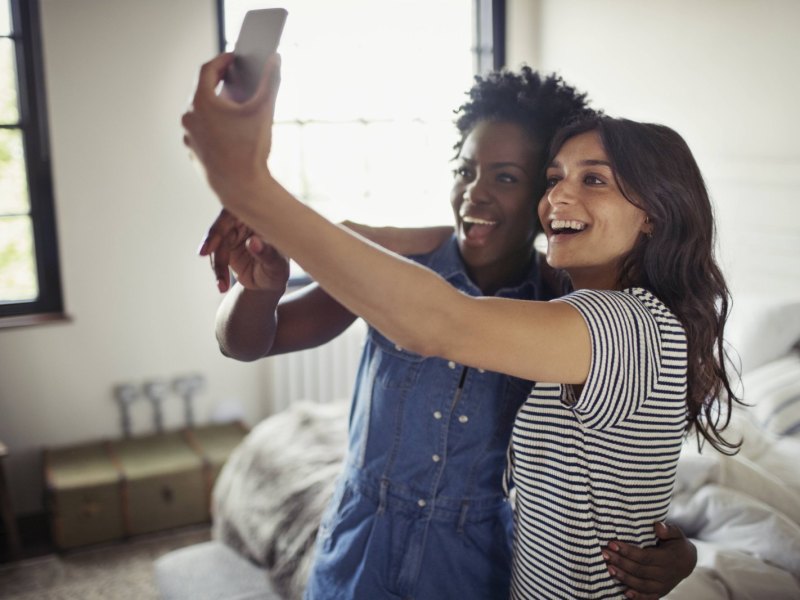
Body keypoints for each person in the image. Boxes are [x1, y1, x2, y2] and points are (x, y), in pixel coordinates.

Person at [187, 55, 705, 599]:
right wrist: (264, 287)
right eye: (465, 170)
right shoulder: (405, 271)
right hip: (362, 544)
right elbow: (243, 343)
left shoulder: (568, 308)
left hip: (474, 563)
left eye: (508, 177)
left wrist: (252, 186)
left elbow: (435, 322)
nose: (476, 192)